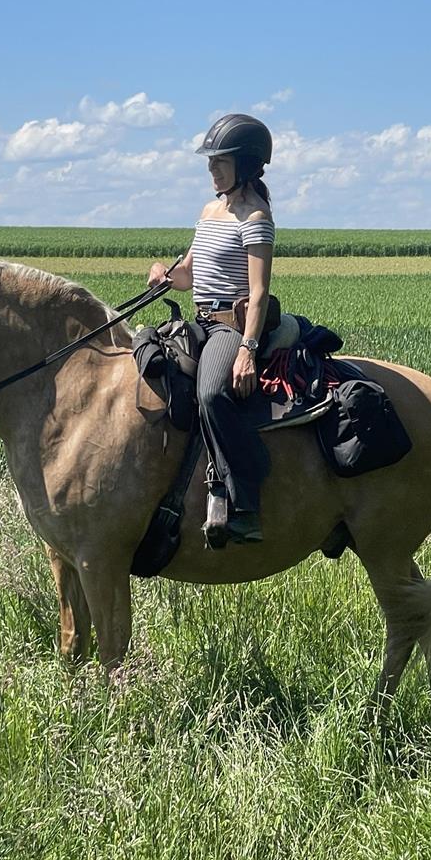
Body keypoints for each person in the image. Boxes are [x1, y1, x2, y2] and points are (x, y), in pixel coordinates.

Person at [148, 113, 276, 544]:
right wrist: (164, 274)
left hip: (228, 328)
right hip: (198, 319)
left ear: (247, 164)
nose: (211, 168)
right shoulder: (209, 211)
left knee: (211, 393)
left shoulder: (255, 217)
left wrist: (247, 350)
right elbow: (188, 275)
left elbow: (258, 294)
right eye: (210, 160)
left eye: (220, 160)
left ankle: (246, 500)